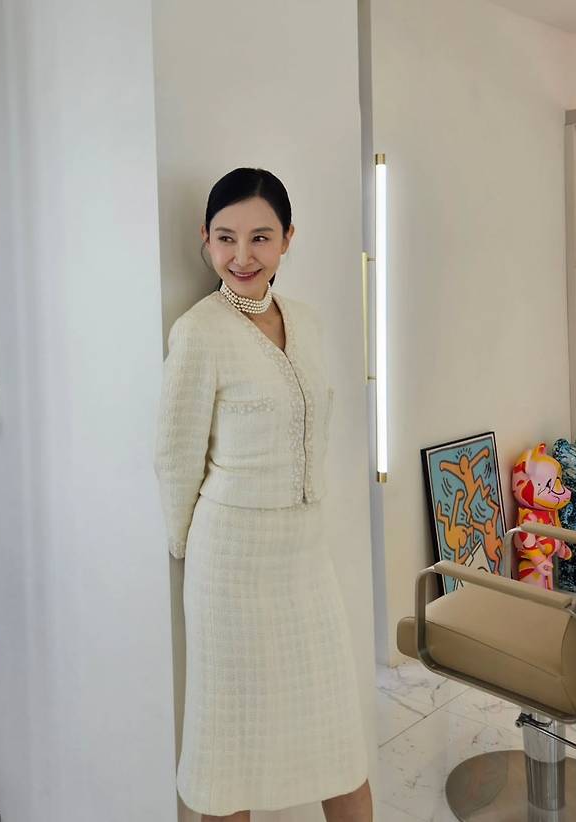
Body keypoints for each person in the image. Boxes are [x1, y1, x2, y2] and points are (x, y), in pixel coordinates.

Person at [153, 167, 373, 821]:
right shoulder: (199, 332)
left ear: (287, 239)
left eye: (260, 237)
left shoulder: (307, 321)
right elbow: (175, 455)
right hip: (230, 565)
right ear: (206, 239)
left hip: (304, 557)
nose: (241, 256)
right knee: (230, 753)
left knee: (340, 742)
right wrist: (188, 547)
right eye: (225, 238)